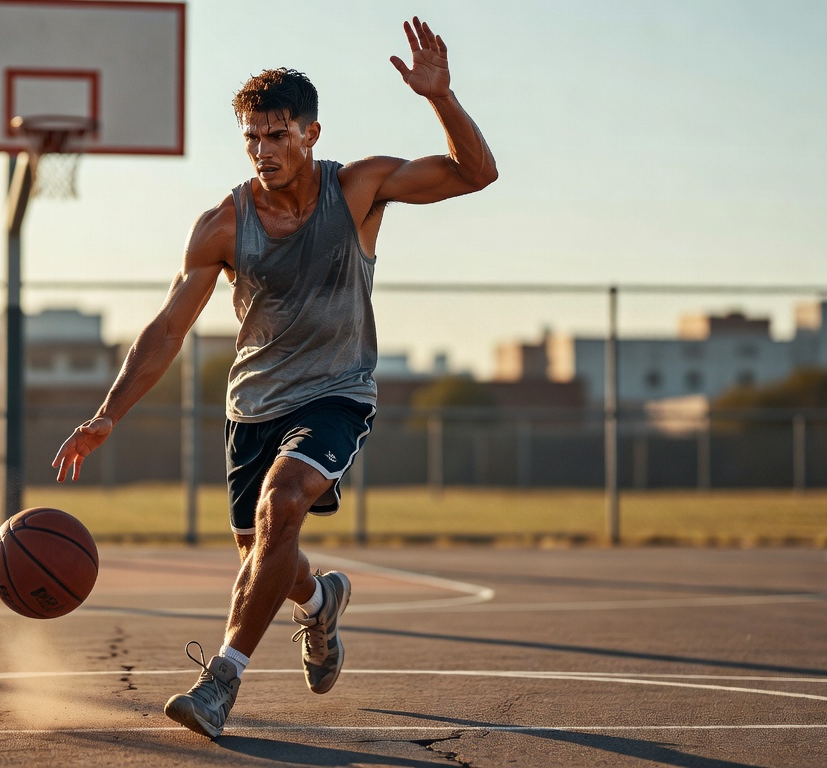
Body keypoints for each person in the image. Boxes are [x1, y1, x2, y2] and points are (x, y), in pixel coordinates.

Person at [51, 15, 497, 738]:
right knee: (266, 552)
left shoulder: (359, 189)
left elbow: (478, 174)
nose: (264, 151)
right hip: (251, 409)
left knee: (283, 502)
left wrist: (441, 99)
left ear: (311, 135)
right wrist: (109, 413)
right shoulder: (222, 224)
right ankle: (320, 604)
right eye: (253, 138)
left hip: (335, 395)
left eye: (279, 135)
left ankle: (220, 680)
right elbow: (169, 329)